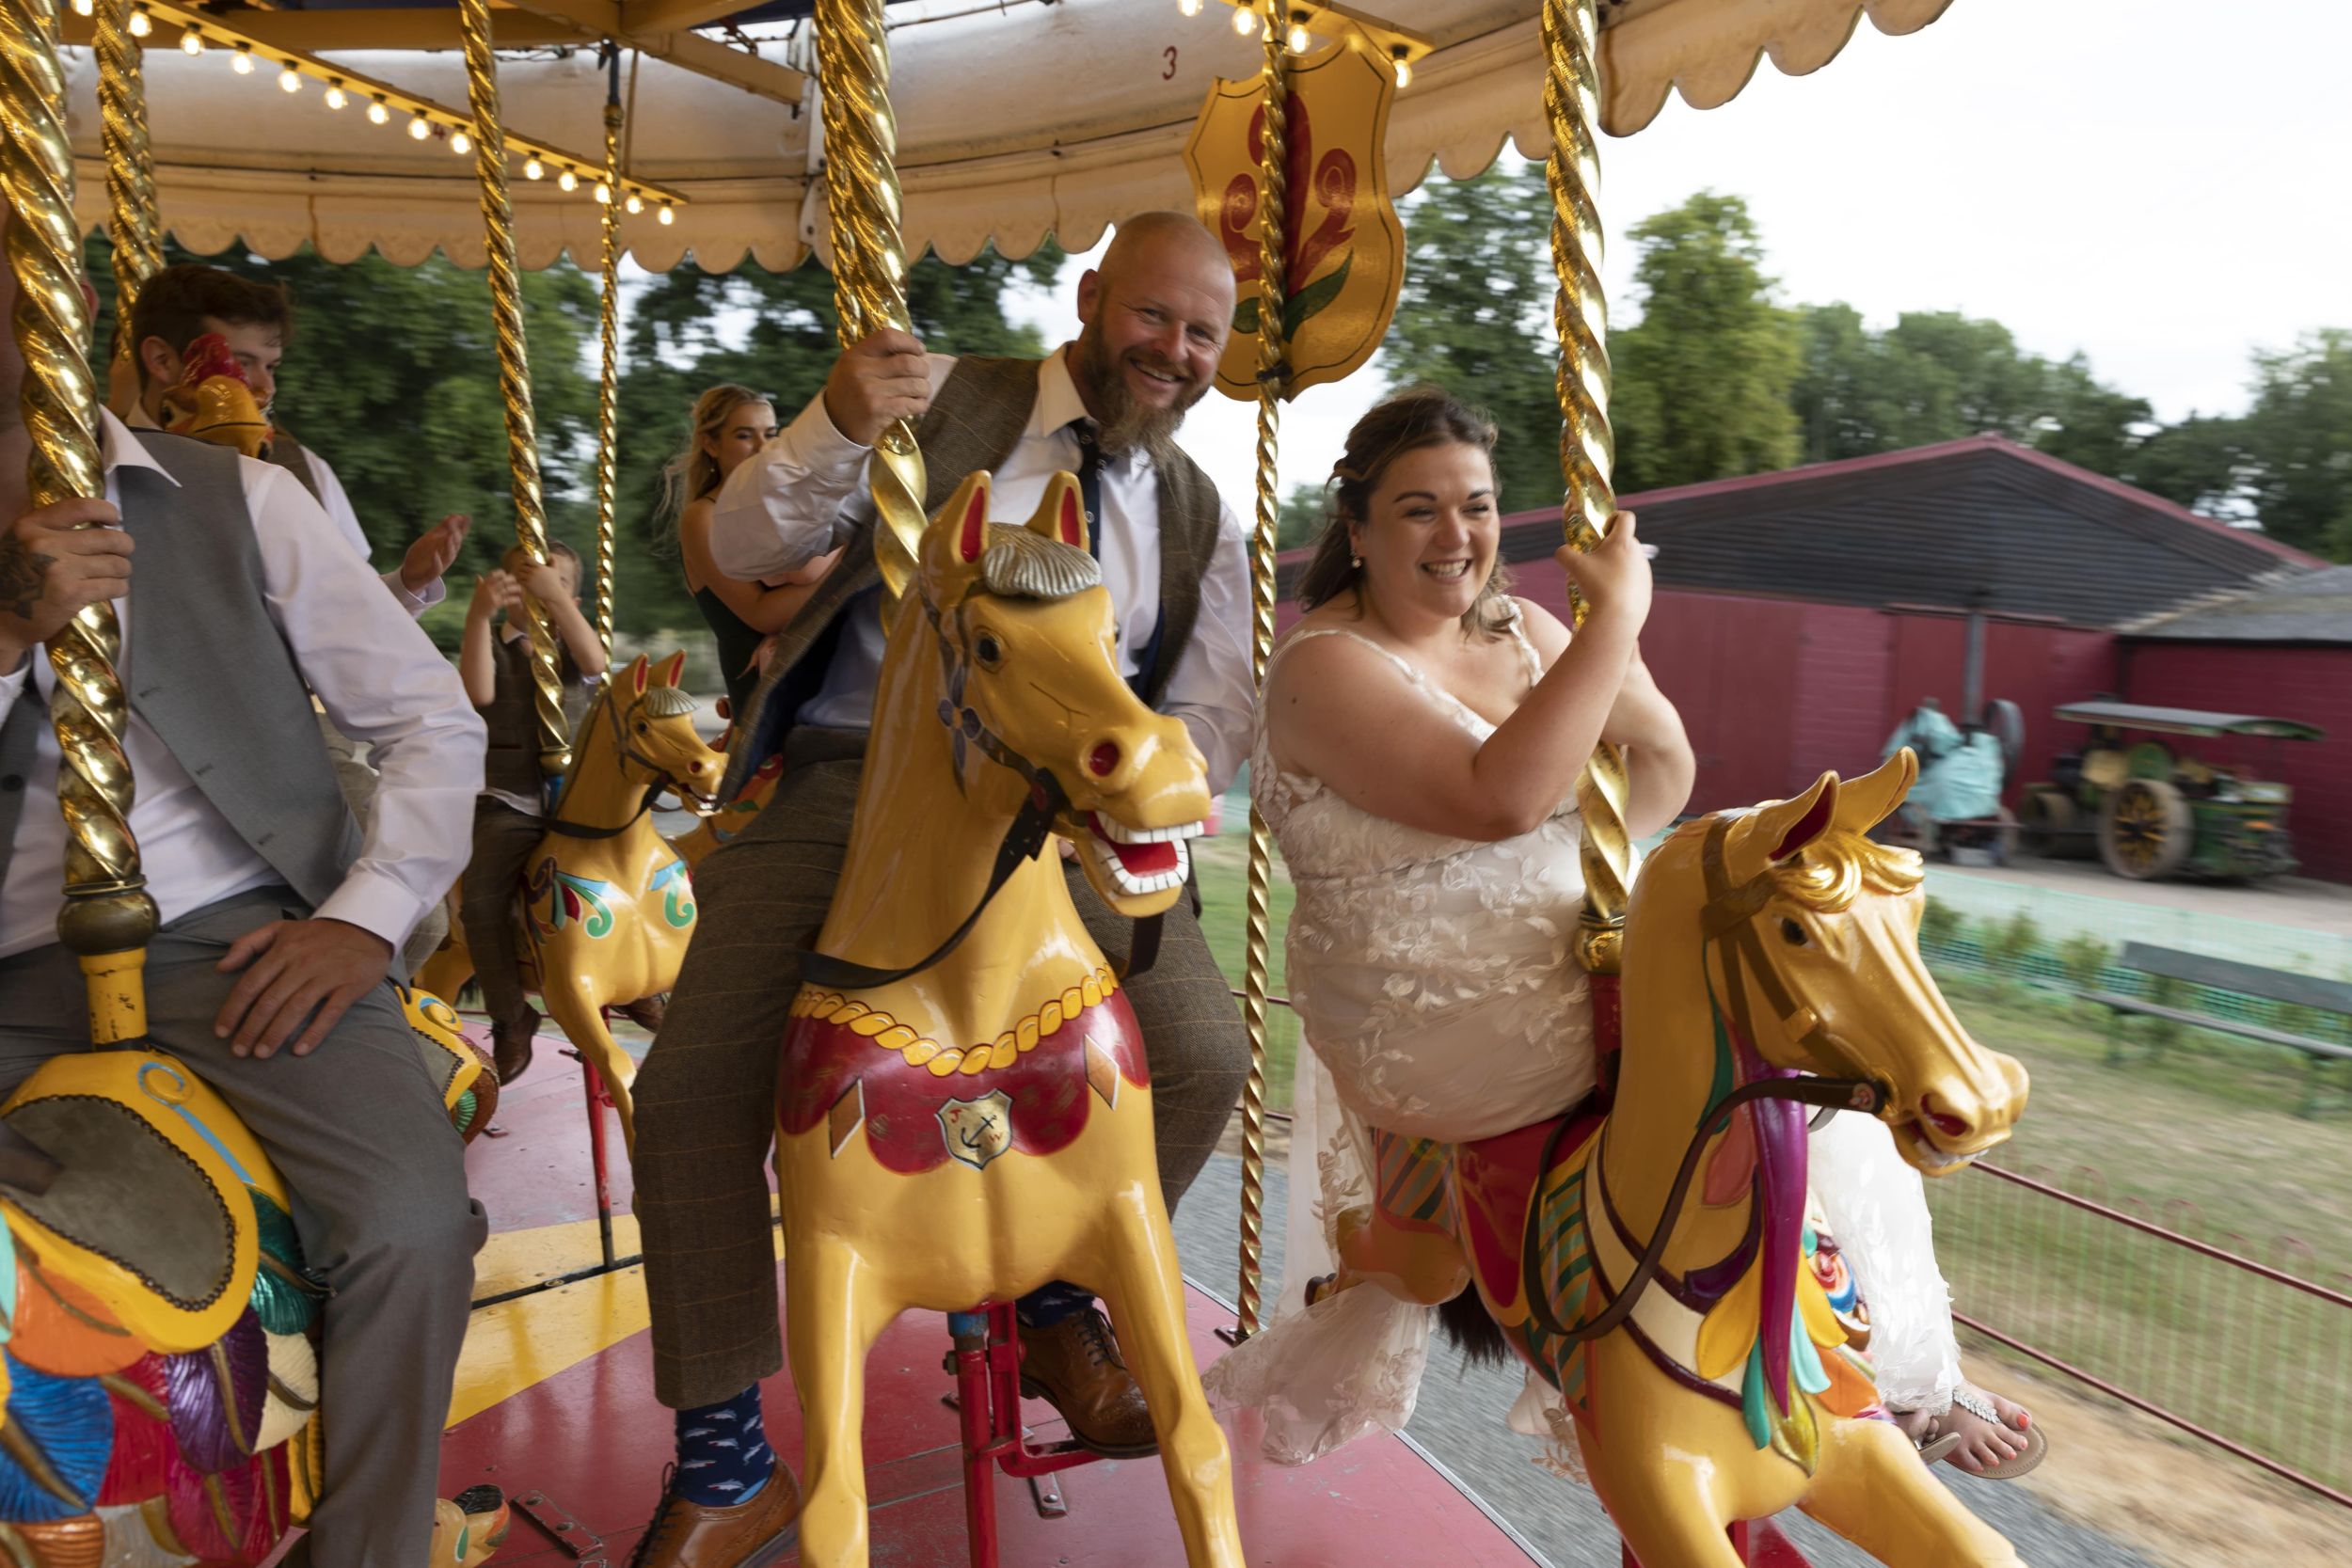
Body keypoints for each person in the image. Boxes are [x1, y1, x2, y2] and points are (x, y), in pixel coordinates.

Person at [1200, 388, 2037, 1481]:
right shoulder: (1324, 666)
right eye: (1417, 509)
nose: (1457, 535)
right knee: (1745, 1069)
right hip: (1428, 999)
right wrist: (1619, 629)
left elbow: (1665, 765)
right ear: (1354, 527)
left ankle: (1886, 1366)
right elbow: (1499, 795)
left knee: (1807, 1042)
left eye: (1479, 504)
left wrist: (1573, 824)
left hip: (1563, 940)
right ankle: (1736, 1363)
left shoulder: (1526, 628)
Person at [623, 211, 1256, 1562]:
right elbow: (741, 544)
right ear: (1094, 299)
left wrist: (1161, 771)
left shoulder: (1194, 503)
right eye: (1154, 316)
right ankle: (727, 1449)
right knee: (688, 1089)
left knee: (1204, 1052)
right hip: (868, 771)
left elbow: (1211, 695)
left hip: (1060, 800)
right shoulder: (948, 399)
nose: (1176, 352)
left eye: (1203, 333)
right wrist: (836, 423)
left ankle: (1055, 1303)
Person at [0, 214, 487, 1566]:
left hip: (230, 932)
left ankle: (369, 1546)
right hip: (11, 957)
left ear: (60, 295)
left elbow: (433, 724)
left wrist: (360, 917)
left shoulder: (241, 497)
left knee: (406, 1221)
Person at [123, 261, 469, 616]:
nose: (266, 386)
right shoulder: (96, 465)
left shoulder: (304, 469)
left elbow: (341, 609)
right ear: (162, 360)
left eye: (271, 366)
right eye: (243, 363)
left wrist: (407, 582)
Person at [457, 539, 615, 1082]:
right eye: (530, 583)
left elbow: (597, 662)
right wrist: (479, 616)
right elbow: (477, 692)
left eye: (562, 583)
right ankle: (510, 1016)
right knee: (480, 904)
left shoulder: (572, 650)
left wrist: (561, 603)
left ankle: (644, 983)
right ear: (507, 590)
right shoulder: (494, 646)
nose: (545, 592)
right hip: (511, 798)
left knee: (637, 867)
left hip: (578, 799)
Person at [658, 385, 840, 720]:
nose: (761, 447)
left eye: (770, 434)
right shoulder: (704, 516)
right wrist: (850, 572)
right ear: (711, 444)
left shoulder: (784, 507)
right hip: (765, 699)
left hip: (821, 677)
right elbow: (762, 613)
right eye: (744, 435)